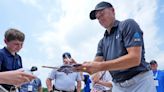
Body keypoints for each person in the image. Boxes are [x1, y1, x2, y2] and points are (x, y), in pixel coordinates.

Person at [75, 1, 156, 92]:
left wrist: (100, 66)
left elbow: (134, 59)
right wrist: (78, 67)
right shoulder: (102, 42)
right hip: (118, 85)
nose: (100, 19)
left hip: (140, 82)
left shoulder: (127, 25)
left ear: (113, 10)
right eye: (98, 18)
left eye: (102, 14)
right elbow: (95, 65)